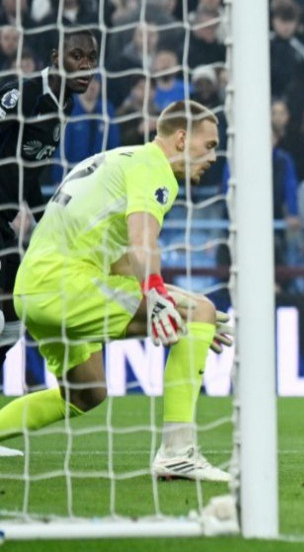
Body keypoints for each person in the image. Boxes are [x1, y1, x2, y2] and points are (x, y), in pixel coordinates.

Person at [0, 101, 233, 481]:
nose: (213, 156)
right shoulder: (154, 169)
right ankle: (178, 452)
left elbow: (123, 264)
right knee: (200, 312)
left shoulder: (118, 159)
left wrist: (164, 298)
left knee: (86, 393)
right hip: (65, 284)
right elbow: (143, 242)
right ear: (180, 138)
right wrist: (167, 302)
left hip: (33, 287)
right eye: (208, 145)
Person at [0, 28, 98, 391]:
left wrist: (51, 222)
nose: (85, 66)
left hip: (4, 221)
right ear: (57, 58)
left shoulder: (64, 103)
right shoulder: (23, 93)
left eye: (91, 58)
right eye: (77, 57)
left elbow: (28, 175)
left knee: (11, 319)